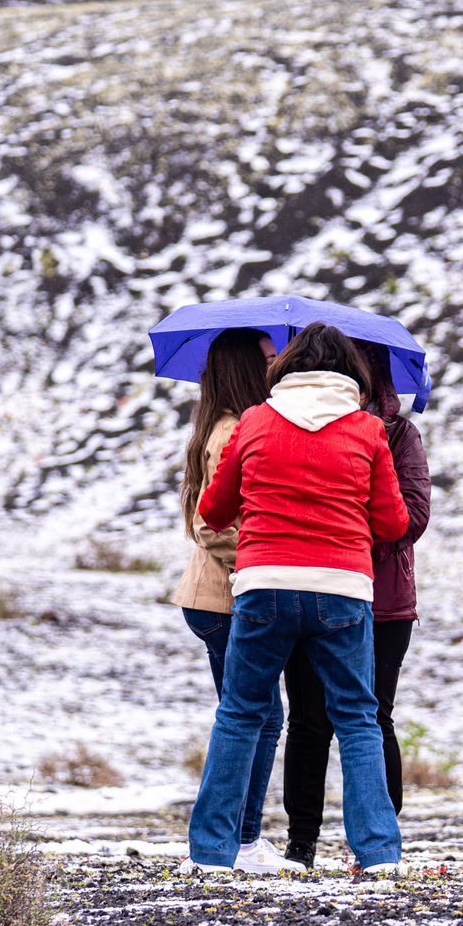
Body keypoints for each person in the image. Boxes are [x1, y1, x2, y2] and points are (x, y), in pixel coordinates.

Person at [187, 322, 410, 875]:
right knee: (358, 718)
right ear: (349, 376)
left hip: (263, 585)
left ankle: (213, 854)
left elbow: (213, 510)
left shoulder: (256, 421)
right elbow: (393, 521)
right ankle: (378, 852)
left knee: (239, 713)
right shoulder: (367, 430)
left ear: (285, 371)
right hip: (342, 591)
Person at [281, 340, 430, 870]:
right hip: (320, 585)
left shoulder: (399, 435)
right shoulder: (297, 426)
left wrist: (344, 519)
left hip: (383, 601)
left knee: (374, 718)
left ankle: (380, 841)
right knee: (308, 720)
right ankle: (301, 843)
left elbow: (411, 517)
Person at [168, 327, 295, 875]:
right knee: (256, 717)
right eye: (267, 359)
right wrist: (261, 565)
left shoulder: (221, 429)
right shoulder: (233, 432)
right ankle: (239, 842)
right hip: (224, 597)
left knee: (256, 715)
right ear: (244, 368)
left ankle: (242, 838)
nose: (275, 366)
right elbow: (210, 527)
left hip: (214, 595)